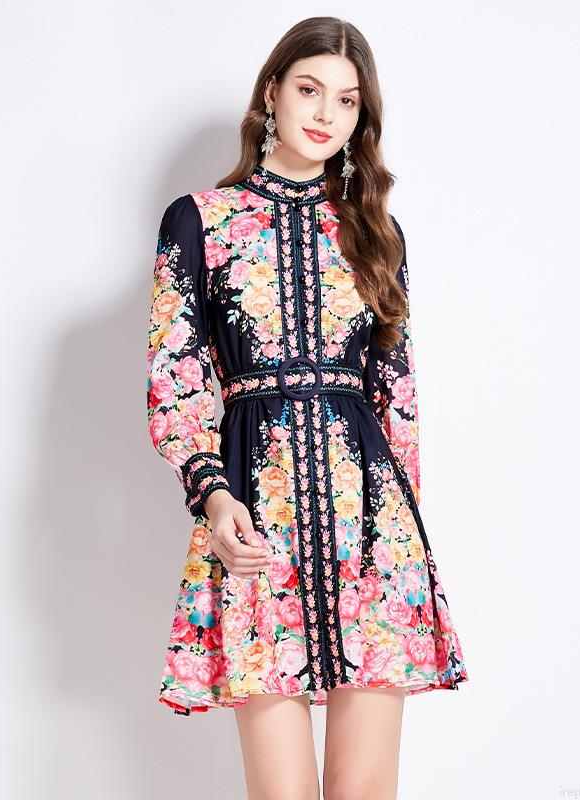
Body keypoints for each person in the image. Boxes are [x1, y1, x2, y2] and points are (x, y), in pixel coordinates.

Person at [146, 16, 469, 800]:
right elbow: (176, 381)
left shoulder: (377, 234)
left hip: (373, 535)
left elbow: (398, 403)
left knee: (364, 792)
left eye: (347, 100)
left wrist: (405, 542)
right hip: (258, 526)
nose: (326, 113)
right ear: (272, 93)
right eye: (309, 89)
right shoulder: (199, 221)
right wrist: (213, 496)